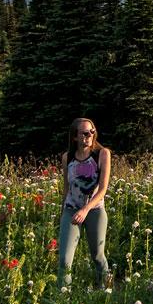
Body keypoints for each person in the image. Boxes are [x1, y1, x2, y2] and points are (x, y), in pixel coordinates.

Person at [57, 116, 112, 289]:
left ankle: (105, 291)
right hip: (71, 209)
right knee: (65, 259)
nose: (89, 135)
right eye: (84, 133)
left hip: (94, 209)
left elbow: (103, 188)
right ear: (75, 137)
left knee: (97, 255)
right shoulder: (68, 158)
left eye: (91, 132)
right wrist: (62, 214)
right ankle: (63, 300)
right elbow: (66, 188)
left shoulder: (102, 154)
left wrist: (86, 209)